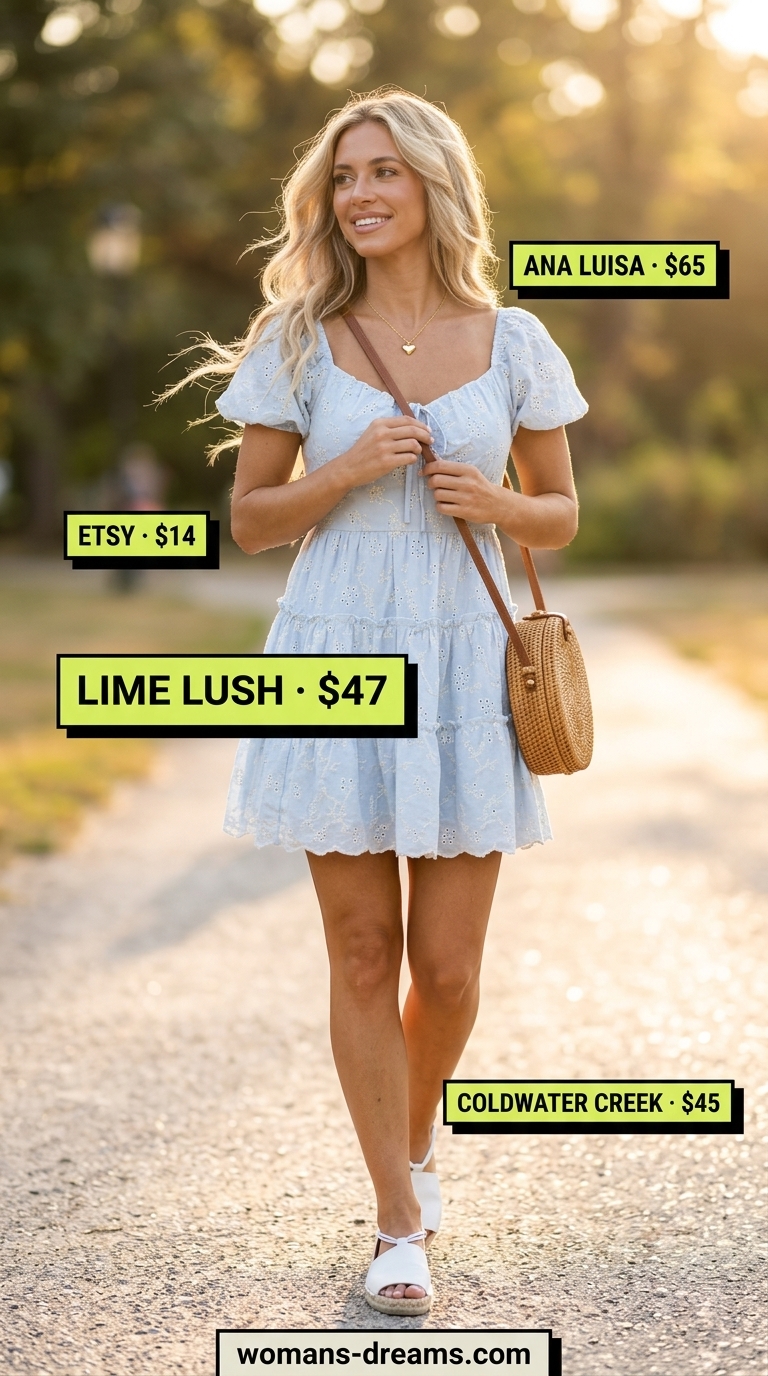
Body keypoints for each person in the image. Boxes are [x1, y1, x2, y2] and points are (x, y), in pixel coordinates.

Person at [181, 88, 587, 1314]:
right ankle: (396, 1220)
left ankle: (410, 1145)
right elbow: (248, 520)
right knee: (363, 949)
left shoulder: (512, 338)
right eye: (344, 176)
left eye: (384, 174)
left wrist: (497, 504)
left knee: (448, 969)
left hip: (467, 665)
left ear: (432, 189)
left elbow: (563, 511)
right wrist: (345, 469)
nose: (360, 193)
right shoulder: (297, 341)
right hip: (336, 652)